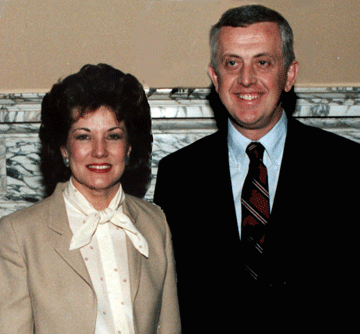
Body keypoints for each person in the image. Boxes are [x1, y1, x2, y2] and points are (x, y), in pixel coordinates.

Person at [154, 5, 360, 332]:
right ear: (215, 77)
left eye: (262, 62)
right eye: (232, 63)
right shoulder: (179, 175)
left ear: (289, 75)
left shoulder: (346, 167)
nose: (246, 79)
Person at [0, 64, 180, 334]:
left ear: (129, 147)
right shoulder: (19, 235)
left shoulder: (156, 225)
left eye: (114, 136)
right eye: (84, 136)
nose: (100, 151)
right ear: (63, 148)